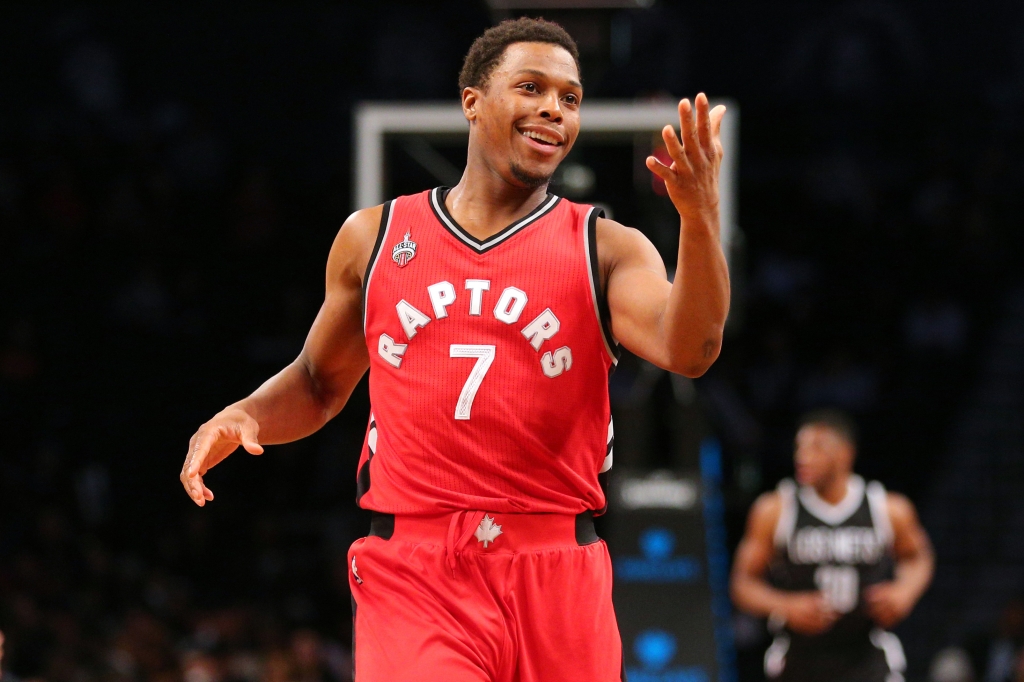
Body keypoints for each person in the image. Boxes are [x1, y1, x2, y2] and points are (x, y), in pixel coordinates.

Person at [180, 17, 730, 682]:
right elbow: (320, 383)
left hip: (557, 568)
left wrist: (699, 220)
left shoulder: (606, 247)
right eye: (531, 87)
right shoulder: (374, 237)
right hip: (418, 570)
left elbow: (690, 348)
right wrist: (247, 414)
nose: (553, 109)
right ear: (473, 100)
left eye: (570, 98)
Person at [730, 409, 935, 682]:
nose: (802, 457)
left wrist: (904, 591)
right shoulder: (775, 509)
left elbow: (918, 557)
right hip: (797, 661)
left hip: (867, 656)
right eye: (799, 447)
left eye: (816, 447)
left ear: (845, 453)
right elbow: (742, 584)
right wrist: (785, 605)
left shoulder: (887, 508)